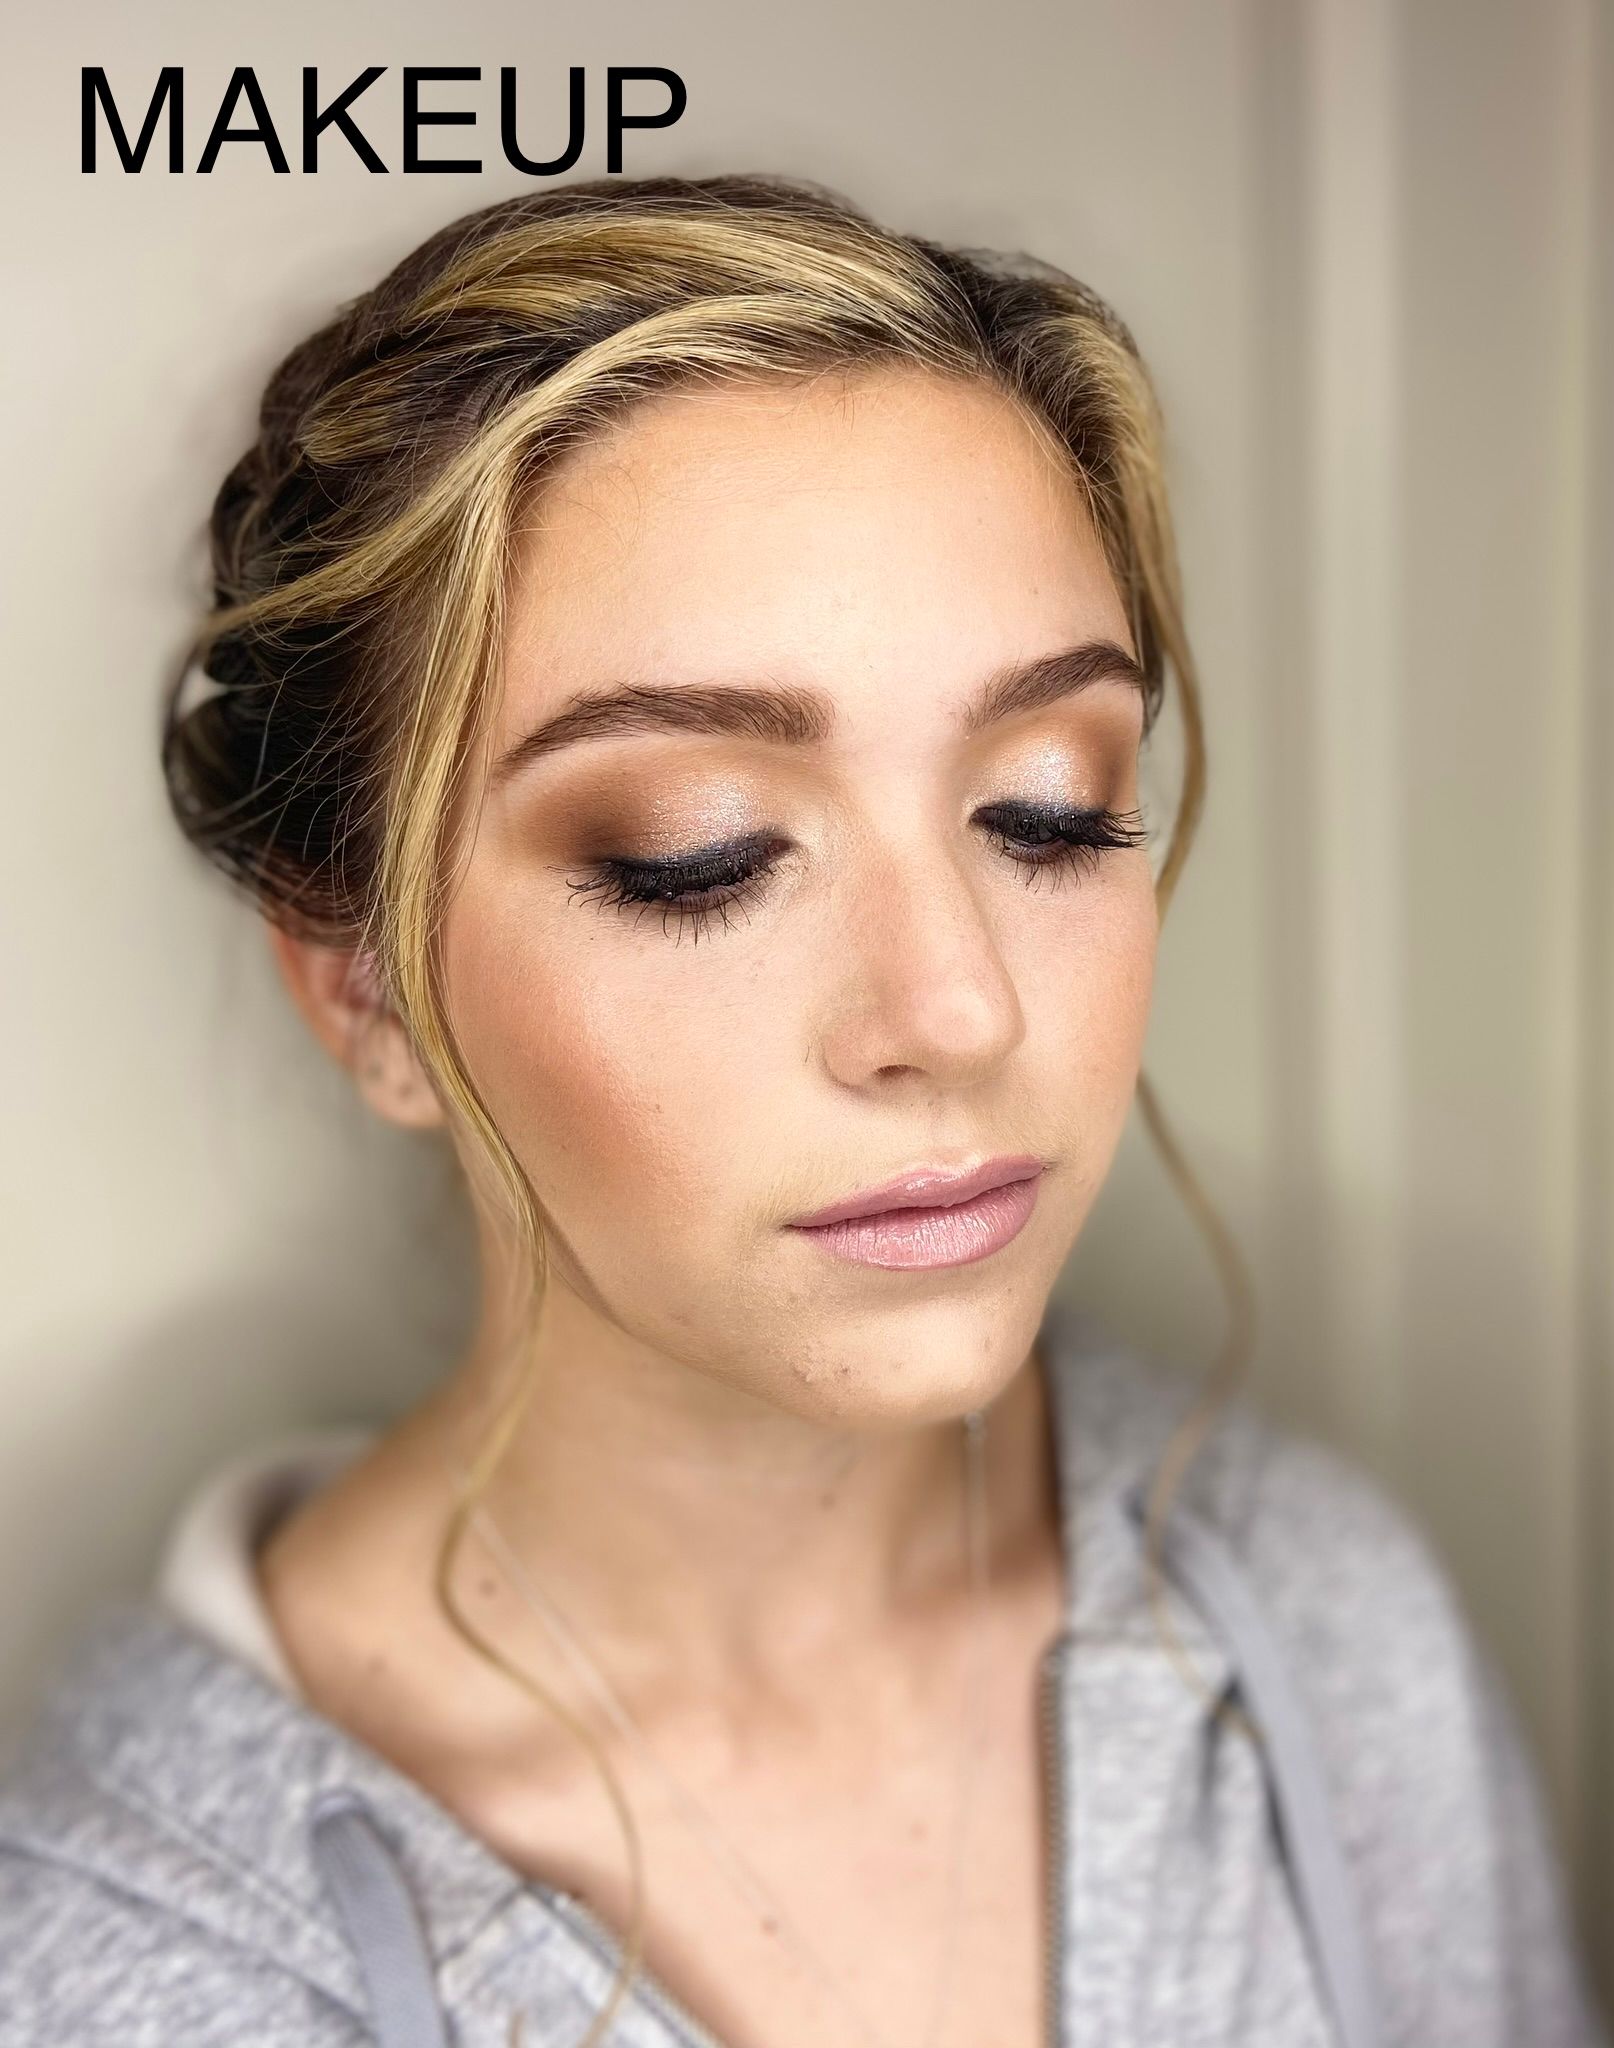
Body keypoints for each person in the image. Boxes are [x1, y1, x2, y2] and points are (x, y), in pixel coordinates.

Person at [0, 173, 1603, 2048]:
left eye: (1046, 807)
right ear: (363, 984)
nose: (955, 1006)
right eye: (702, 855)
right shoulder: (107, 1976)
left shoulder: (1316, 1630)